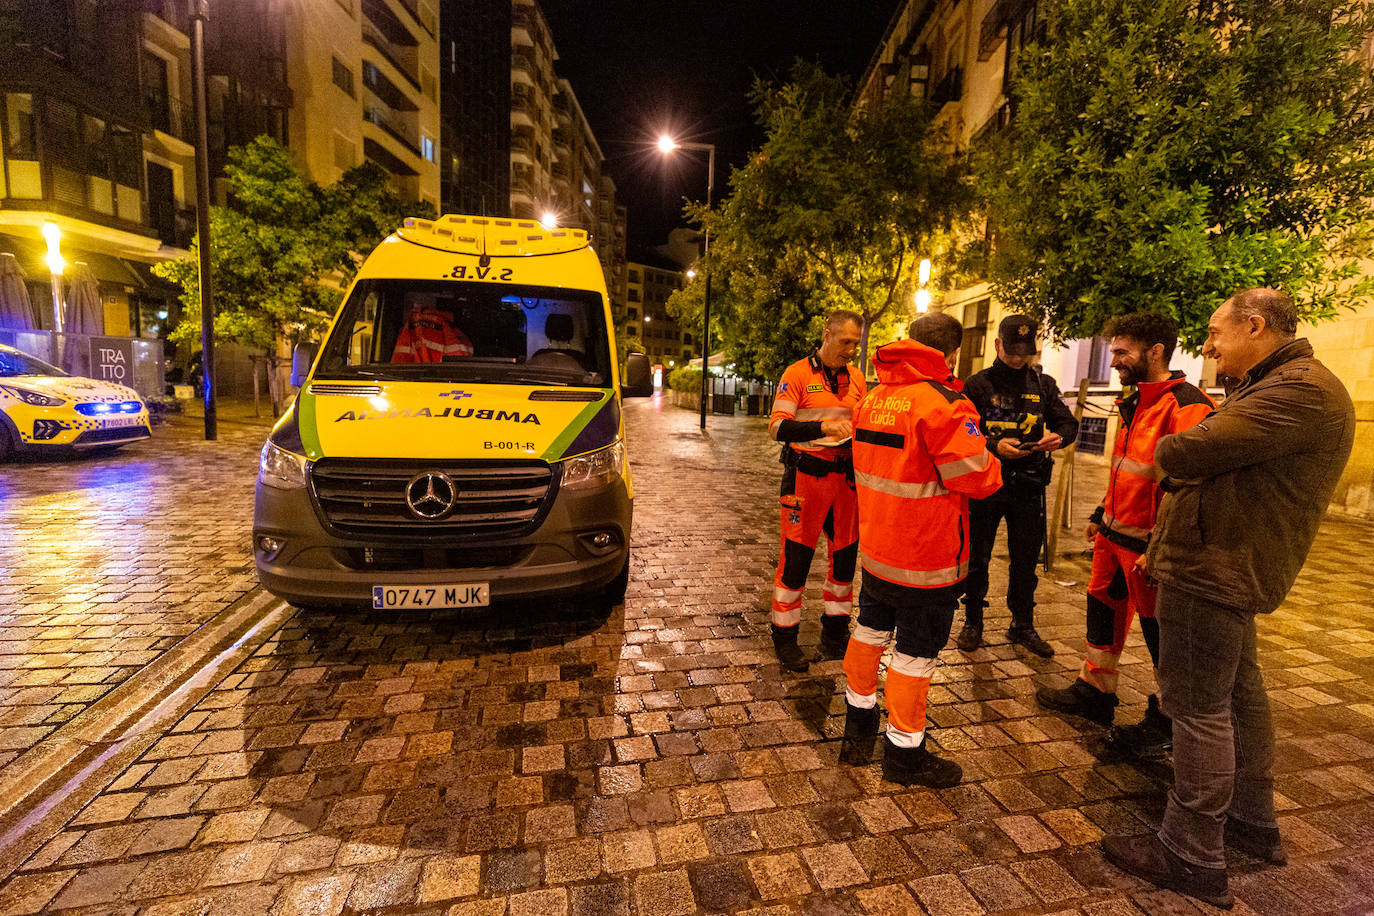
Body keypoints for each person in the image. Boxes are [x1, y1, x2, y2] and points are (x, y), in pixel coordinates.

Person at [1102, 289, 1355, 909]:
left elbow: (1180, 451)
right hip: (1223, 557)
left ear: (1256, 325)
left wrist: (1183, 460)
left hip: (1214, 563)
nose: (1208, 346)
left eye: (1216, 332)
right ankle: (1250, 820)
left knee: (1196, 708)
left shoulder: (1298, 390)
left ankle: (1190, 851)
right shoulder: (1278, 384)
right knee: (1238, 695)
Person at [1036, 313, 1214, 759]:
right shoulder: (1136, 401)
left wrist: (1161, 548)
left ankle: (1170, 721)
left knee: (1161, 634)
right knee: (1103, 612)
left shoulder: (1187, 405)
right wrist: (1100, 512)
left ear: (1155, 352)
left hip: (1150, 550)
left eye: (1121, 352)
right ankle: (1096, 691)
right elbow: (1126, 469)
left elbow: (1188, 485)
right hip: (1114, 537)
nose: (1113, 360)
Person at [841, 314, 1002, 786]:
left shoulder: (874, 397)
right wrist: (992, 453)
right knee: (915, 654)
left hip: (877, 549)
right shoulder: (946, 405)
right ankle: (904, 753)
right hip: (926, 558)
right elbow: (977, 477)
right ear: (951, 355)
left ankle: (858, 722)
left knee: (869, 631)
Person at [956, 314, 1078, 657]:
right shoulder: (977, 385)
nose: (1017, 357)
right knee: (977, 556)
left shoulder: (1043, 384)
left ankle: (1022, 623)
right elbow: (965, 432)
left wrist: (1059, 437)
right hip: (988, 484)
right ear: (997, 344)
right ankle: (973, 621)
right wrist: (995, 447)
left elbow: (1068, 423)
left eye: (1024, 351)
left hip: (1029, 485)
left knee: (1025, 560)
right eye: (1012, 350)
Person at [767, 309, 867, 672]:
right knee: (795, 563)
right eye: (846, 342)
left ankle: (835, 632)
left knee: (844, 563)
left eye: (856, 344)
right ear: (827, 334)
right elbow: (777, 428)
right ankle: (784, 637)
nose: (852, 350)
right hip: (806, 480)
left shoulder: (858, 378)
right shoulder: (796, 374)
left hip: (846, 483)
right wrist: (822, 428)